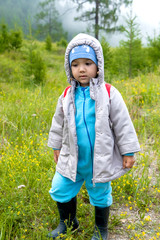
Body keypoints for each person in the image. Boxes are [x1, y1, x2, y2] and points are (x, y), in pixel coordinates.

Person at [48, 33, 140, 240]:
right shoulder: (66, 95)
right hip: (72, 157)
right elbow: (58, 123)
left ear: (98, 65)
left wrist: (128, 151)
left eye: (88, 63)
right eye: (76, 64)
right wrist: (56, 145)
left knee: (99, 195)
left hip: (99, 160)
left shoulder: (108, 93)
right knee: (60, 188)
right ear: (69, 68)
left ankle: (101, 228)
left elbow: (123, 123)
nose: (81, 69)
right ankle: (68, 222)